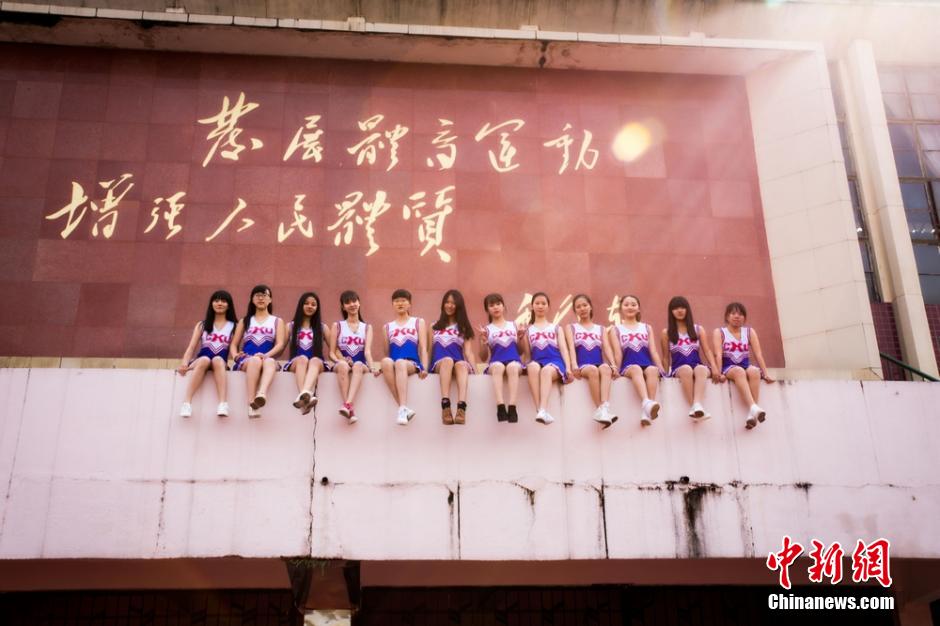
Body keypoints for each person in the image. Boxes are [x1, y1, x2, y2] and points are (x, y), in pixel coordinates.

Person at [713, 301, 775, 429]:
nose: (737, 316)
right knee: (739, 371)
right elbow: (718, 354)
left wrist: (766, 374)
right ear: (727, 316)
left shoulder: (749, 332)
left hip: (745, 365)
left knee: (755, 371)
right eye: (733, 313)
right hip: (728, 367)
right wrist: (719, 373)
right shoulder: (720, 332)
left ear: (744, 318)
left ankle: (752, 415)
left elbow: (758, 354)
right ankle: (754, 407)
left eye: (740, 314)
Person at [177, 290, 237, 418]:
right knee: (205, 359)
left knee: (217, 359)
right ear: (211, 304)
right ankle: (186, 403)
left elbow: (234, 347)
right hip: (201, 361)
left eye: (223, 301)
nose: (219, 303)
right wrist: (184, 364)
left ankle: (223, 403)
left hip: (220, 363)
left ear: (229, 305)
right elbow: (191, 347)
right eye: (216, 300)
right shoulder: (202, 325)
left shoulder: (234, 326)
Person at [230, 284, 286, 418]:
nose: (261, 298)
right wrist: (235, 356)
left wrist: (266, 355)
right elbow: (234, 344)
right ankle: (251, 403)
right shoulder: (245, 321)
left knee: (270, 361)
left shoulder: (277, 321)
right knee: (255, 360)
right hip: (247, 359)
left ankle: (261, 394)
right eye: (257, 295)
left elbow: (280, 344)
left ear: (270, 299)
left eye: (264, 295)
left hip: (267, 358)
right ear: (252, 299)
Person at [609, 294, 665, 426]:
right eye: (626, 304)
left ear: (638, 308)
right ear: (621, 309)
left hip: (646, 363)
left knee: (653, 370)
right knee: (636, 369)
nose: (630, 307)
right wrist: (617, 369)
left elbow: (653, 351)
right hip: (628, 366)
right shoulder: (616, 330)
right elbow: (617, 353)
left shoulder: (646, 327)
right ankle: (646, 402)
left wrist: (661, 369)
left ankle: (647, 411)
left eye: (633, 304)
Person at [661, 296, 720, 421]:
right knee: (686, 369)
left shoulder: (698, 329)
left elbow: (707, 350)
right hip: (679, 369)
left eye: (683, 307)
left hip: (697, 365)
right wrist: (665, 375)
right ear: (671, 312)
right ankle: (694, 406)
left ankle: (696, 405)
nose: (680, 310)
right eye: (676, 308)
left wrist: (714, 367)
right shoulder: (666, 332)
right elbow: (665, 357)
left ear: (687, 309)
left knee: (701, 369)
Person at [564, 293, 617, 427]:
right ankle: (600, 408)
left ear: (590, 307)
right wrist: (574, 365)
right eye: (578, 307)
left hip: (598, 362)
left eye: (585, 305)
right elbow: (570, 348)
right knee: (593, 370)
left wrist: (613, 365)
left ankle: (604, 408)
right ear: (575, 310)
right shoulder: (571, 328)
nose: (582, 308)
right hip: (583, 365)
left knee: (606, 368)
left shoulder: (601, 328)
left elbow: (607, 348)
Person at [380, 289, 429, 425]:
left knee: (400, 362)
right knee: (385, 361)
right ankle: (403, 408)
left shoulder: (418, 322)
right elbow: (386, 352)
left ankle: (402, 408)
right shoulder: (387, 327)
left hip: (411, 363)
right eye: (396, 301)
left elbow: (423, 348)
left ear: (409, 304)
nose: (400, 303)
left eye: (403, 300)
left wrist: (424, 368)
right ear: (392, 304)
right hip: (394, 363)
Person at [522, 292, 572, 425]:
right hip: (537, 362)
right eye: (537, 303)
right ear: (532, 306)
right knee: (532, 366)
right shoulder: (528, 330)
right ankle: (540, 410)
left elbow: (564, 349)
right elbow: (528, 355)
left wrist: (568, 368)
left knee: (546, 371)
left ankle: (542, 409)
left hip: (555, 362)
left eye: (543, 303)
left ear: (548, 307)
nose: (540, 306)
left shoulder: (556, 328)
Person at [428, 289, 477, 425]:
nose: (449, 305)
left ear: (459, 306)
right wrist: (424, 369)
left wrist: (476, 372)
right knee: (448, 360)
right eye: (447, 302)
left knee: (461, 364)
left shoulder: (463, 328)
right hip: (439, 364)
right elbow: (429, 350)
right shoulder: (434, 326)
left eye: (453, 303)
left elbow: (468, 352)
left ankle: (461, 408)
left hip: (458, 364)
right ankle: (445, 406)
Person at [329, 290, 375, 423]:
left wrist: (372, 368)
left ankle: (347, 405)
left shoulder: (367, 327)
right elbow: (331, 352)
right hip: (342, 364)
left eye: (354, 301)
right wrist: (340, 360)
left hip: (360, 365)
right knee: (343, 365)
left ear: (359, 303)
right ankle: (349, 407)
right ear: (343, 307)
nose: (352, 304)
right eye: (347, 303)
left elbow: (367, 352)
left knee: (358, 365)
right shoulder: (337, 326)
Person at [479, 293, 524, 424]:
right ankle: (500, 407)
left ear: (503, 306)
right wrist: (483, 342)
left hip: (515, 362)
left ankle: (512, 407)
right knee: (498, 366)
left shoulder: (514, 325)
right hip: (495, 363)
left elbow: (521, 351)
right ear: (487, 309)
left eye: (498, 304)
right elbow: (483, 357)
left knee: (512, 367)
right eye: (491, 305)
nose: (495, 307)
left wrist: (520, 338)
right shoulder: (486, 329)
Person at [284, 292, 330, 415]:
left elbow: (334, 350)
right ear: (301, 305)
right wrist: (265, 355)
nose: (310, 306)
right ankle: (306, 396)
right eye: (306, 303)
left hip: (317, 363)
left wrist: (343, 359)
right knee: (302, 359)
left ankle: (303, 397)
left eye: (313, 304)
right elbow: (280, 346)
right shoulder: (290, 326)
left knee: (314, 360)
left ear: (317, 308)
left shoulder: (323, 327)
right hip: (297, 362)